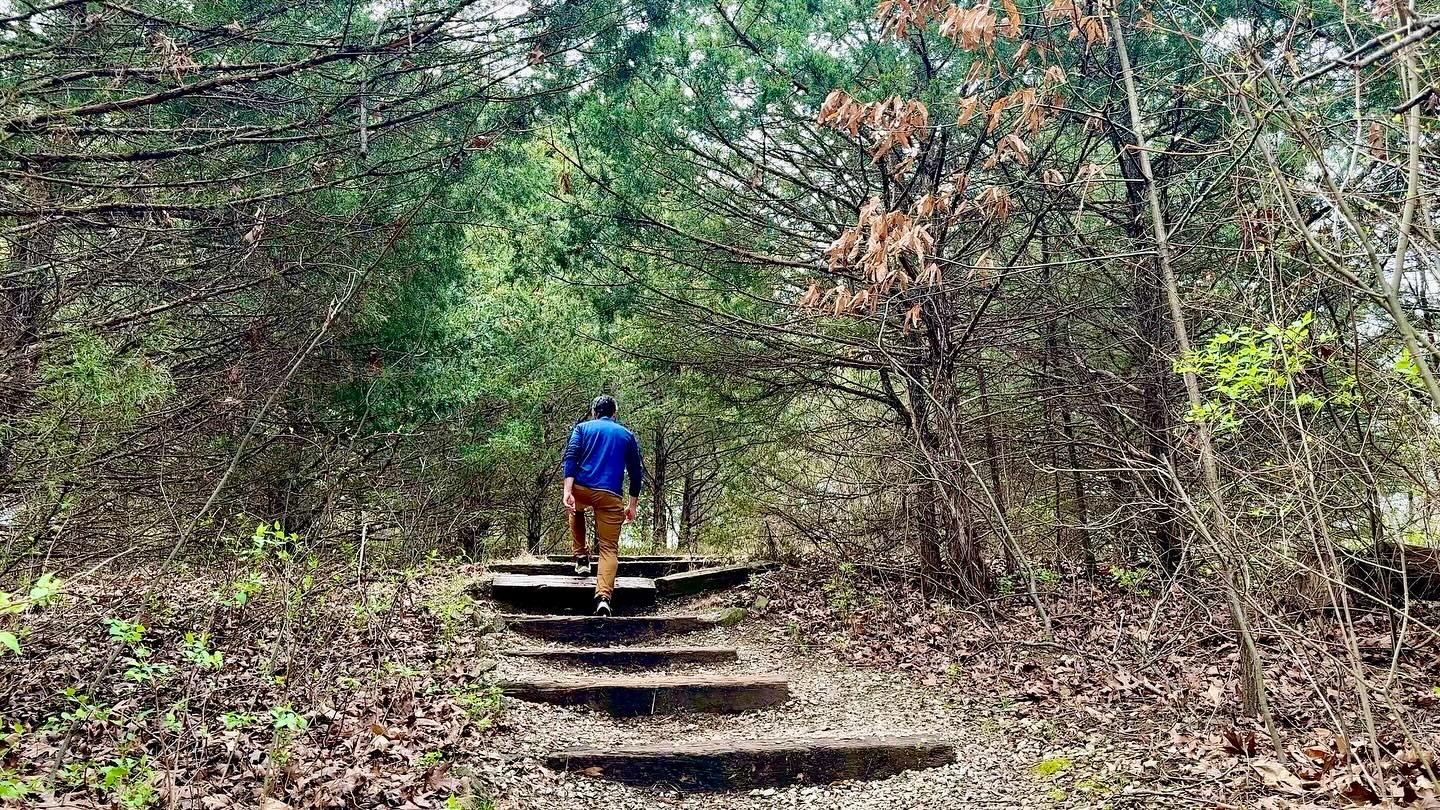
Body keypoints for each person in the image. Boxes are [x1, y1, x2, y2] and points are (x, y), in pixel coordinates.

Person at [562, 394, 643, 616]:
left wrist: (568, 491)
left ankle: (581, 557)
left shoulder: (582, 428)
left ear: (593, 412)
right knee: (609, 548)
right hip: (610, 495)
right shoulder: (626, 435)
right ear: (614, 413)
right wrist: (632, 504)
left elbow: (571, 458)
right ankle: (603, 597)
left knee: (575, 509)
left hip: (582, 488)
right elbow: (636, 473)